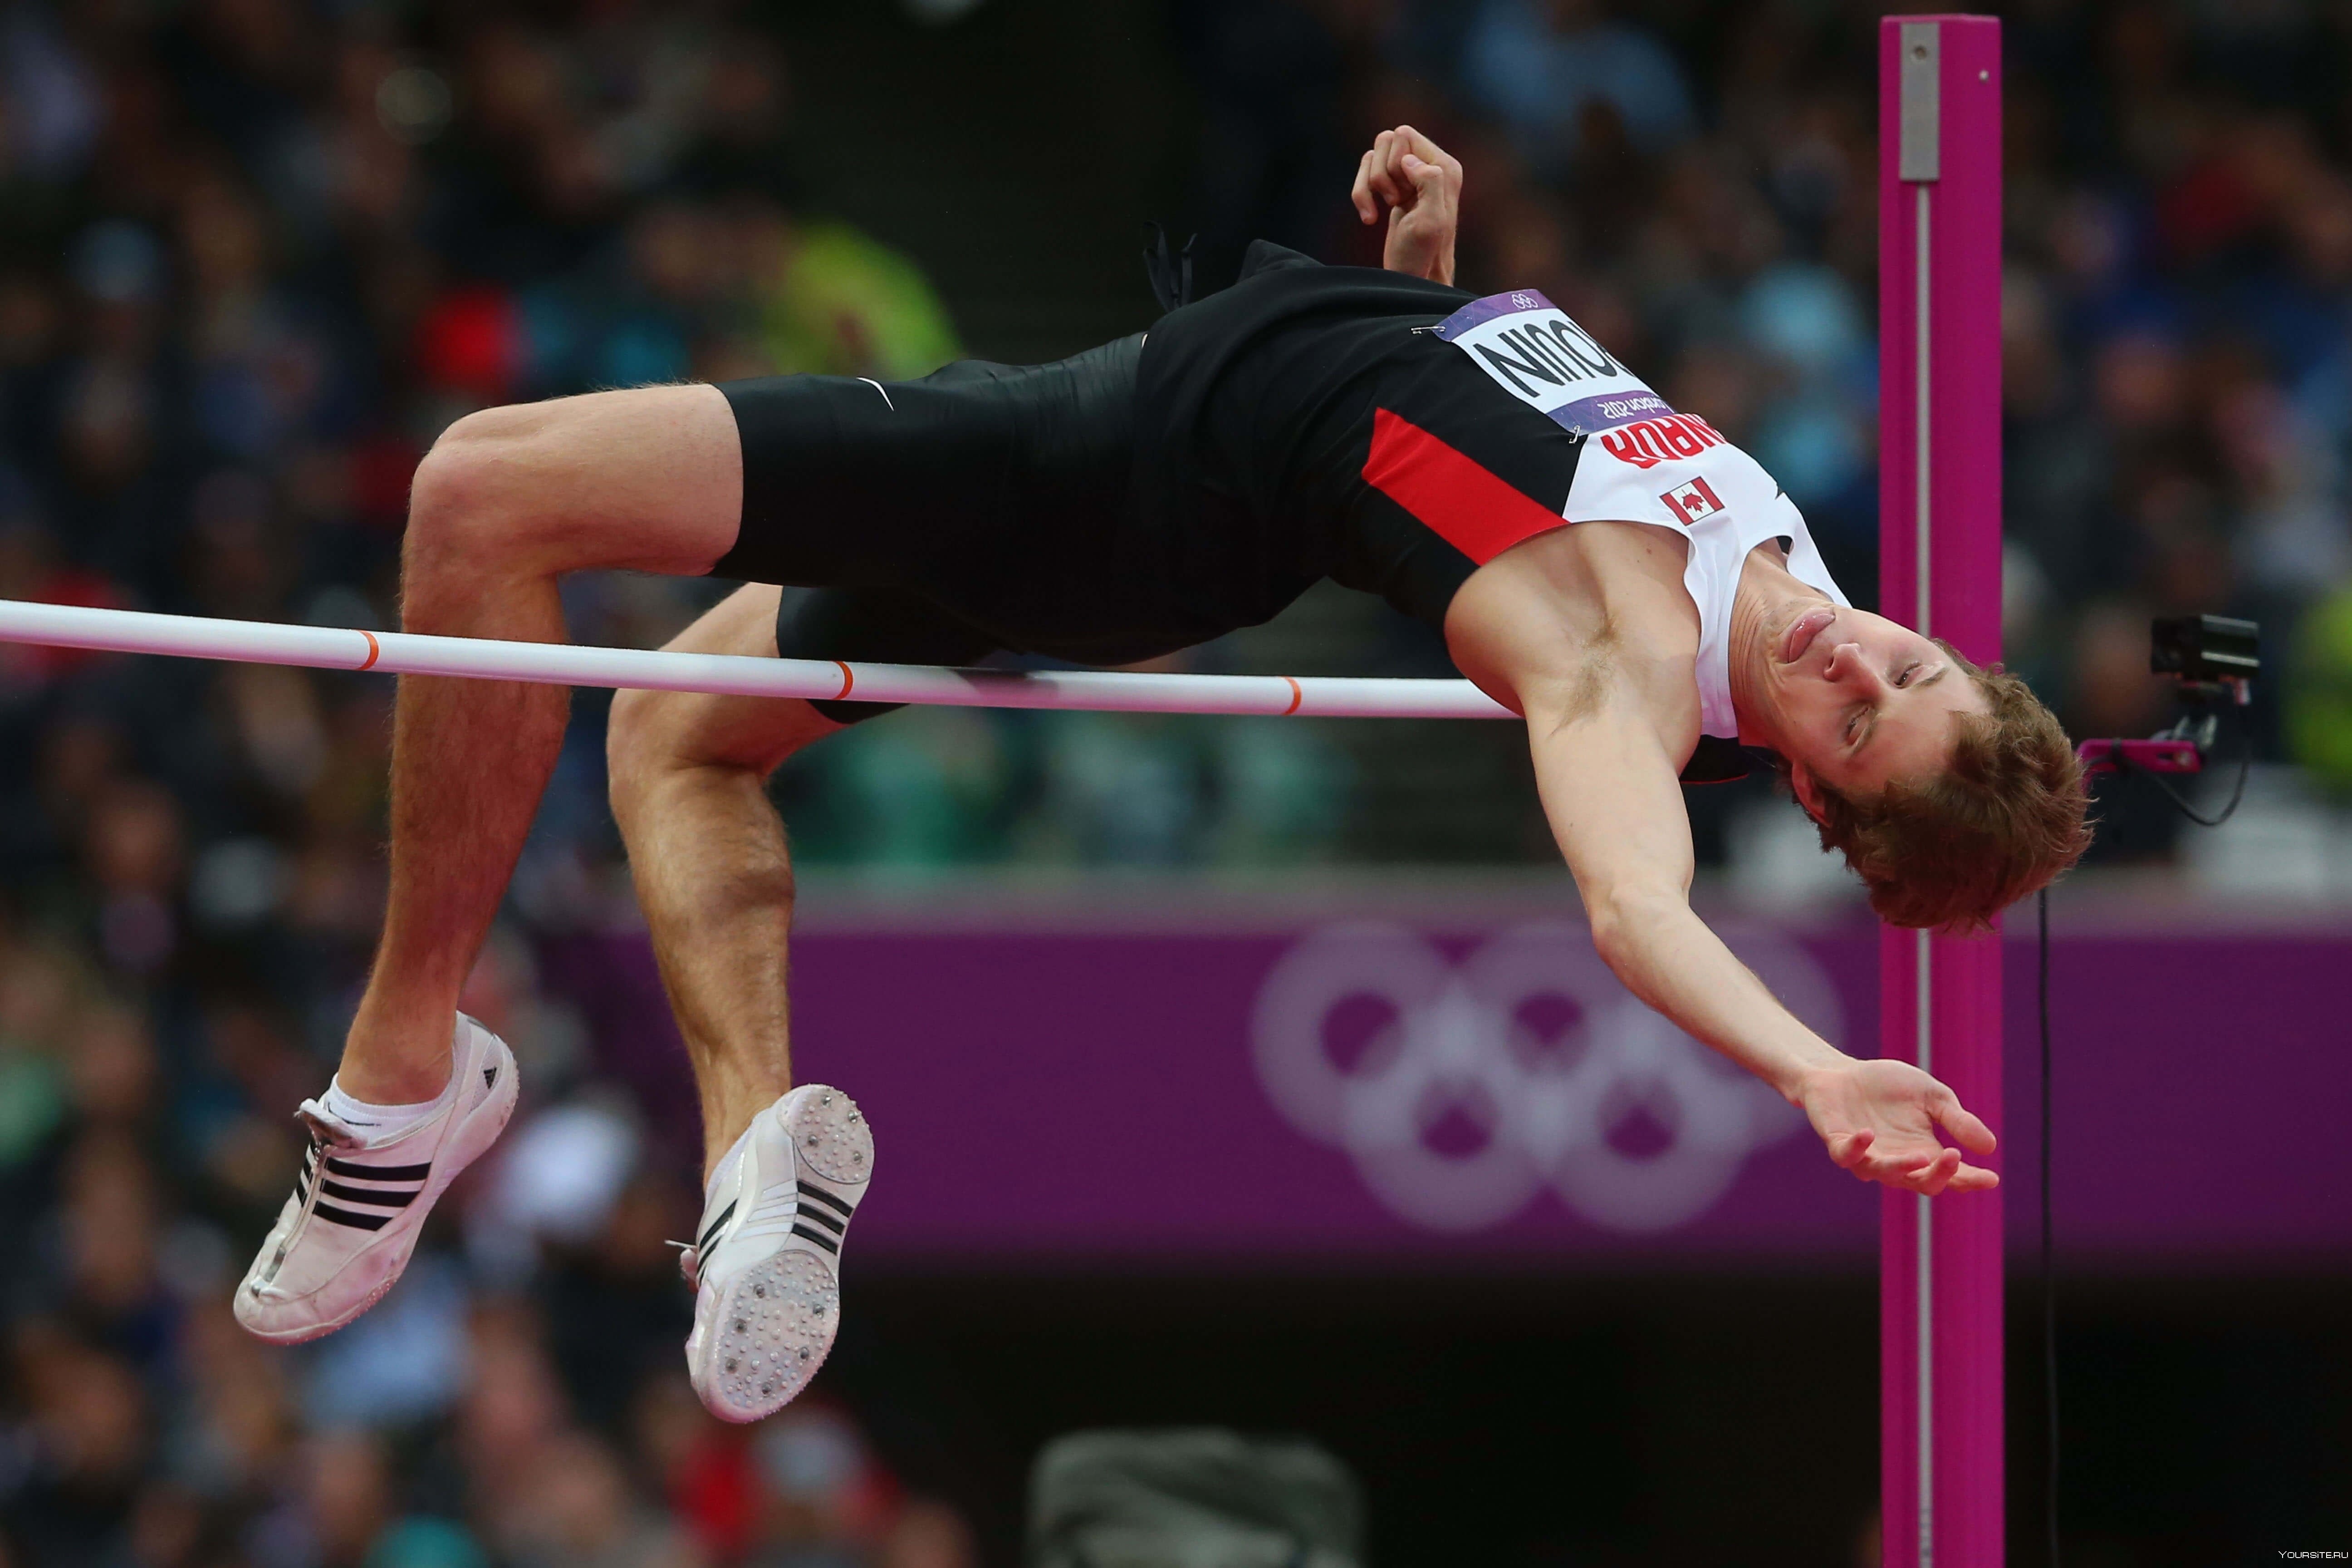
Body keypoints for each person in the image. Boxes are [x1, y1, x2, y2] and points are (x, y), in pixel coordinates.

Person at [232, 128, 2091, 1422]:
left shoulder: (1629, 672)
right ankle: (749, 1167)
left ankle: (404, 1079)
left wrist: (1815, 1069)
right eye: (1911, 662)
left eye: (1862, 722)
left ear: (1816, 796)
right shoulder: (1798, 577)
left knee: (480, 495)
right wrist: (1416, 292)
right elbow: (1448, 469)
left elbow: (1633, 907)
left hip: (1079, 483)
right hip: (1152, 455)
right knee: (675, 732)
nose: (1858, 662)